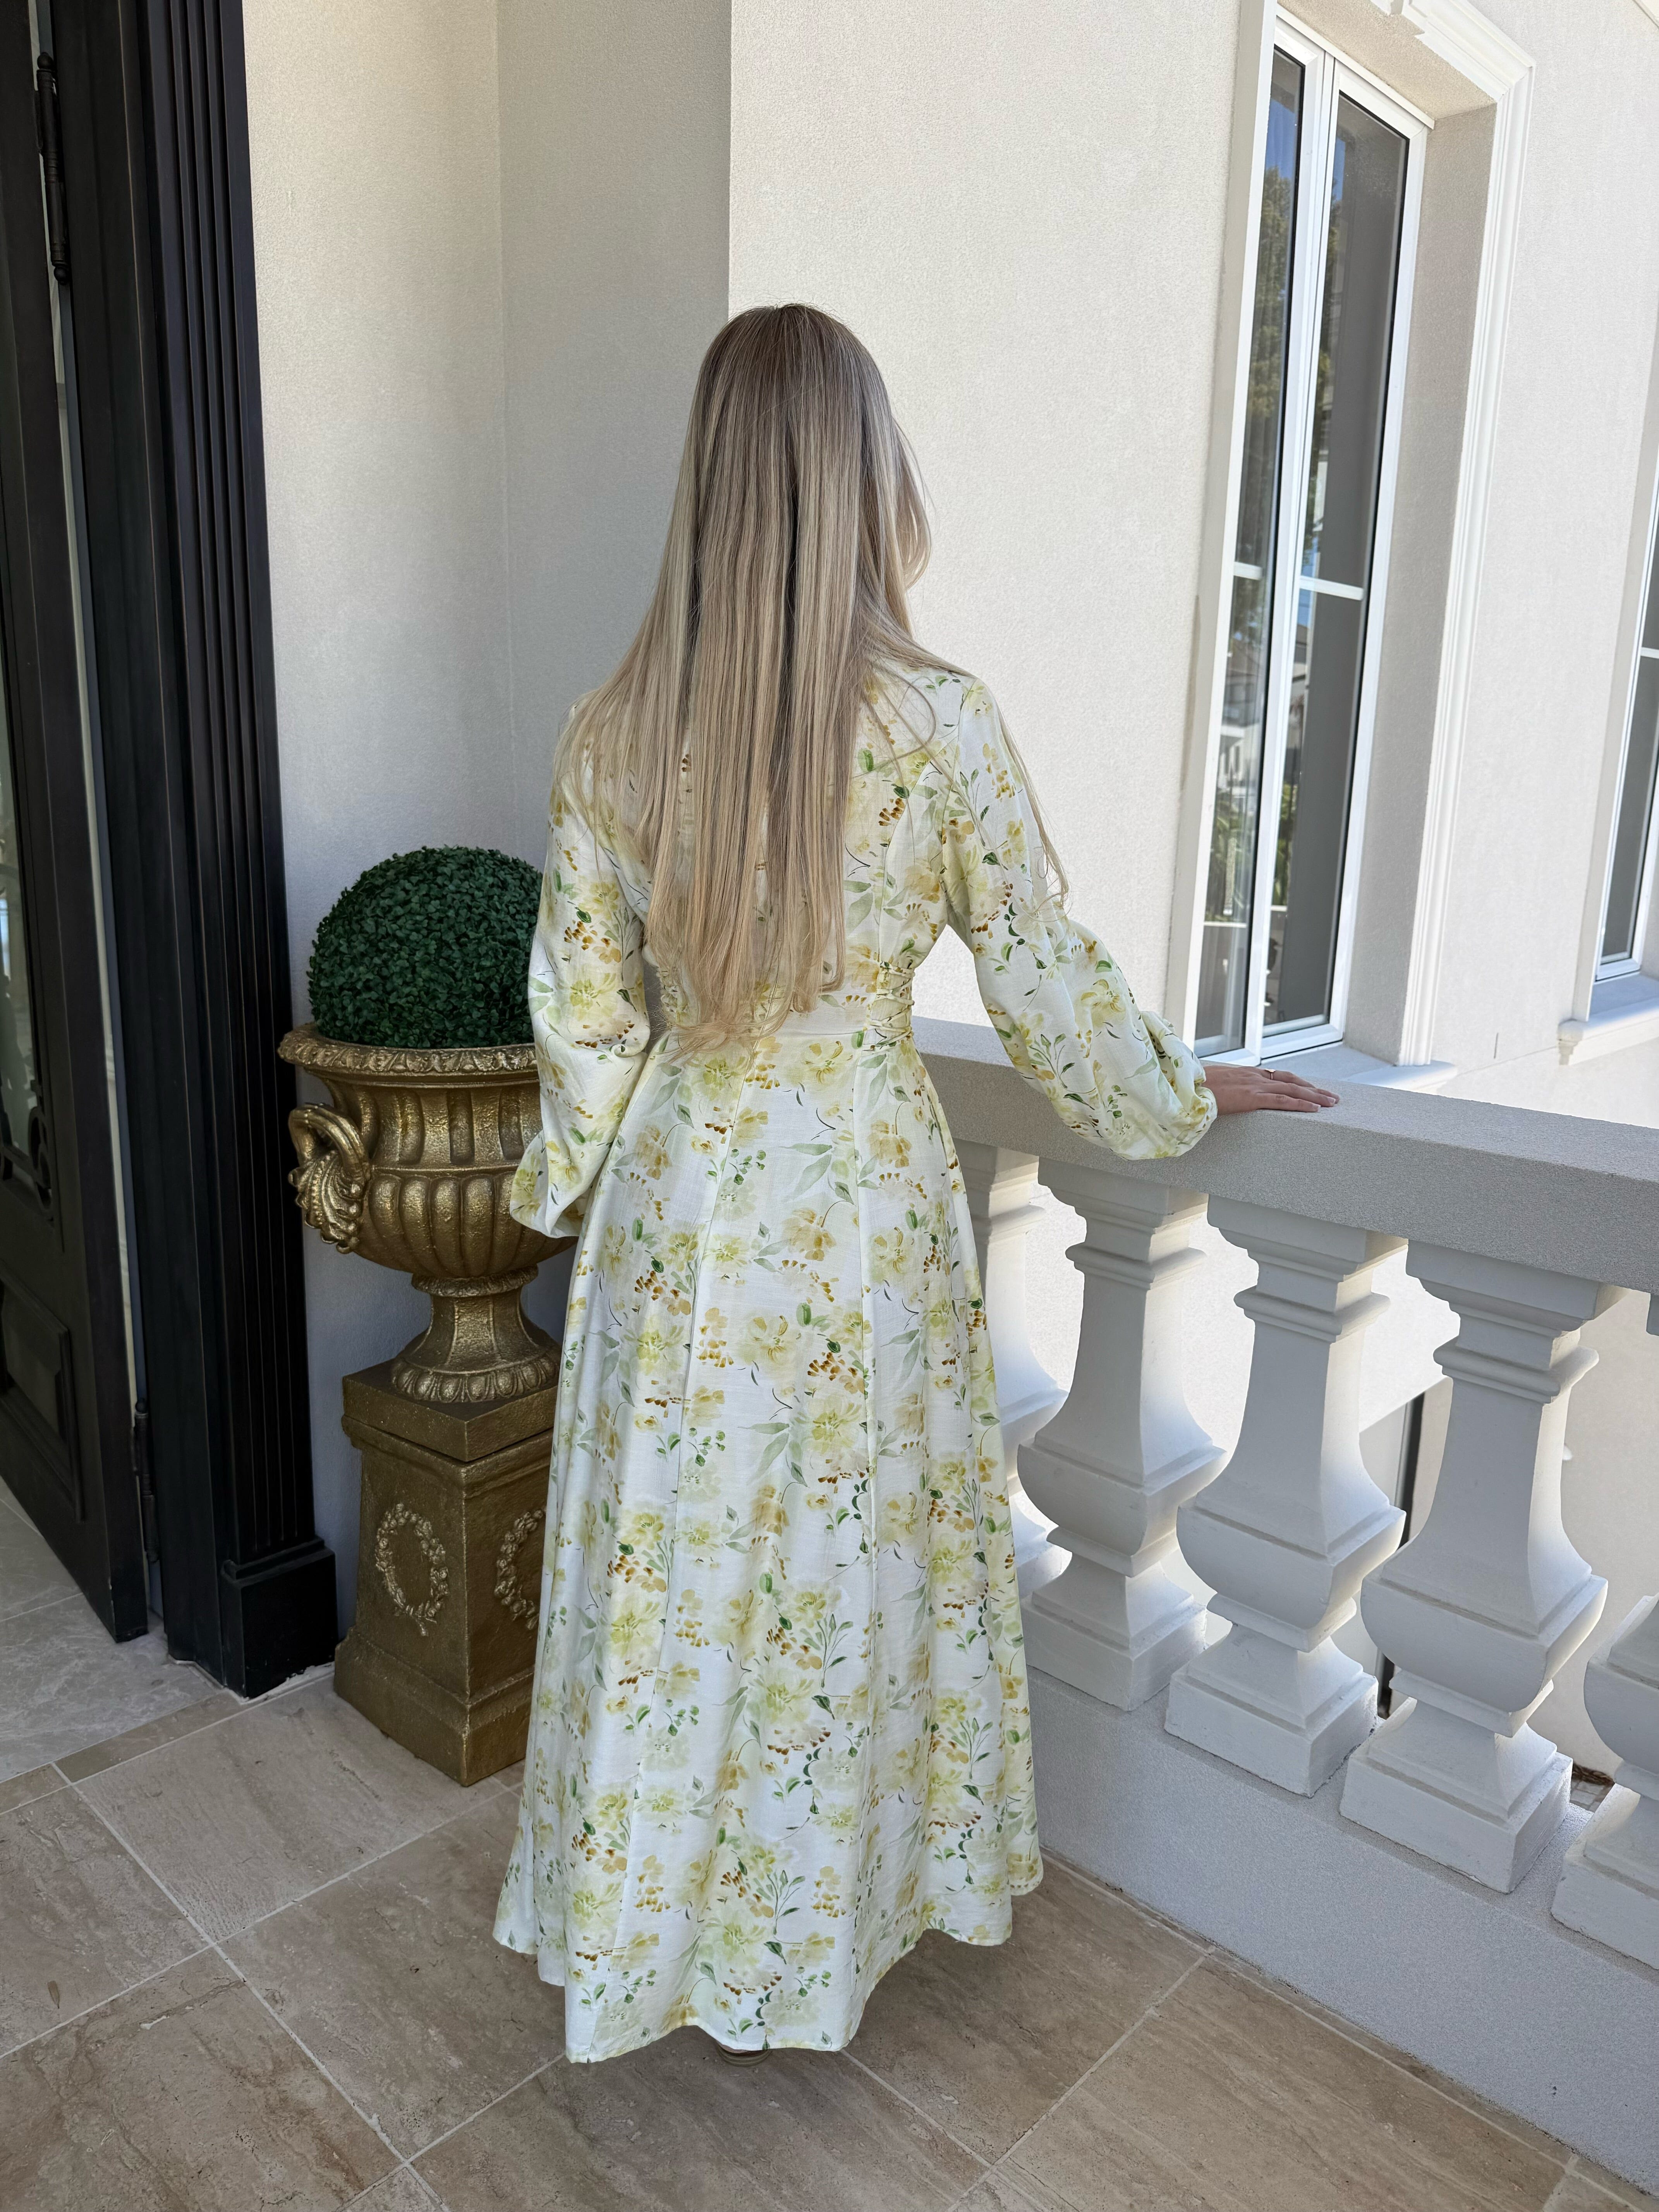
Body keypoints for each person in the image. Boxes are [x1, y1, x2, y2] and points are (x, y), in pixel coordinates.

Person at [494, 303, 1336, 2065]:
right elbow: (1039, 974)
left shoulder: (612, 732)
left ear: (710, 488)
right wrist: (1182, 1092)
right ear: (866, 476)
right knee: (830, 1583)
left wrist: (570, 1182)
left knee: (679, 1581)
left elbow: (581, 1020)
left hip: (683, 1213)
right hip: (858, 1209)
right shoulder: (940, 728)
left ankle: (652, 1930)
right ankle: (808, 1939)